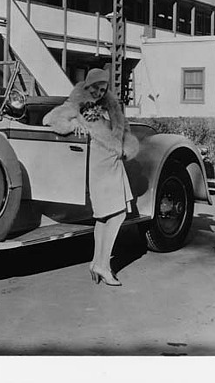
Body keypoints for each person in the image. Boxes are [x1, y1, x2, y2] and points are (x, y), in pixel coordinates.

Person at [43, 68, 139, 286]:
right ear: (88, 85)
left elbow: (124, 130)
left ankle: (98, 262)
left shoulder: (111, 105)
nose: (99, 92)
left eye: (103, 88)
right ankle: (103, 265)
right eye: (95, 87)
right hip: (98, 164)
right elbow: (51, 119)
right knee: (116, 214)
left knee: (107, 216)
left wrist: (126, 146)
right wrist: (72, 124)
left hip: (113, 161)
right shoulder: (77, 102)